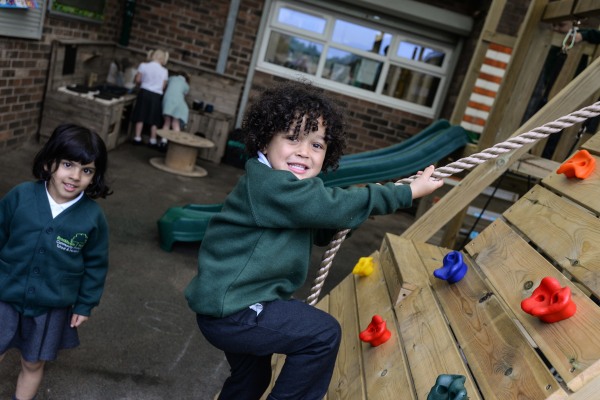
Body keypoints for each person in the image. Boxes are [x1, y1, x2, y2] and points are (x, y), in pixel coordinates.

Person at [184, 80, 444, 400]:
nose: (304, 152)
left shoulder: (285, 195)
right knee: (322, 335)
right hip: (236, 310)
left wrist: (350, 219)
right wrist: (406, 193)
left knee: (252, 377)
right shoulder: (271, 185)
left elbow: (325, 229)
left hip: (231, 308)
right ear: (265, 142)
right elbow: (335, 206)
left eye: (317, 145)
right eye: (293, 138)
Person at [0, 124, 112, 400]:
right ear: (50, 163)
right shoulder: (20, 196)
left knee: (33, 362)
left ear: (94, 176)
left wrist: (85, 303)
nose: (75, 176)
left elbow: (96, 265)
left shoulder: (92, 218)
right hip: (5, 293)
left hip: (51, 305)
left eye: (87, 170)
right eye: (67, 164)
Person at [131, 49, 169, 148]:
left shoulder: (143, 65)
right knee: (154, 118)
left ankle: (137, 138)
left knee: (141, 115)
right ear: (163, 58)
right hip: (156, 95)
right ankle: (152, 140)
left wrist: (144, 82)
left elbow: (138, 80)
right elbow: (163, 87)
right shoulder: (164, 71)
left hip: (144, 92)